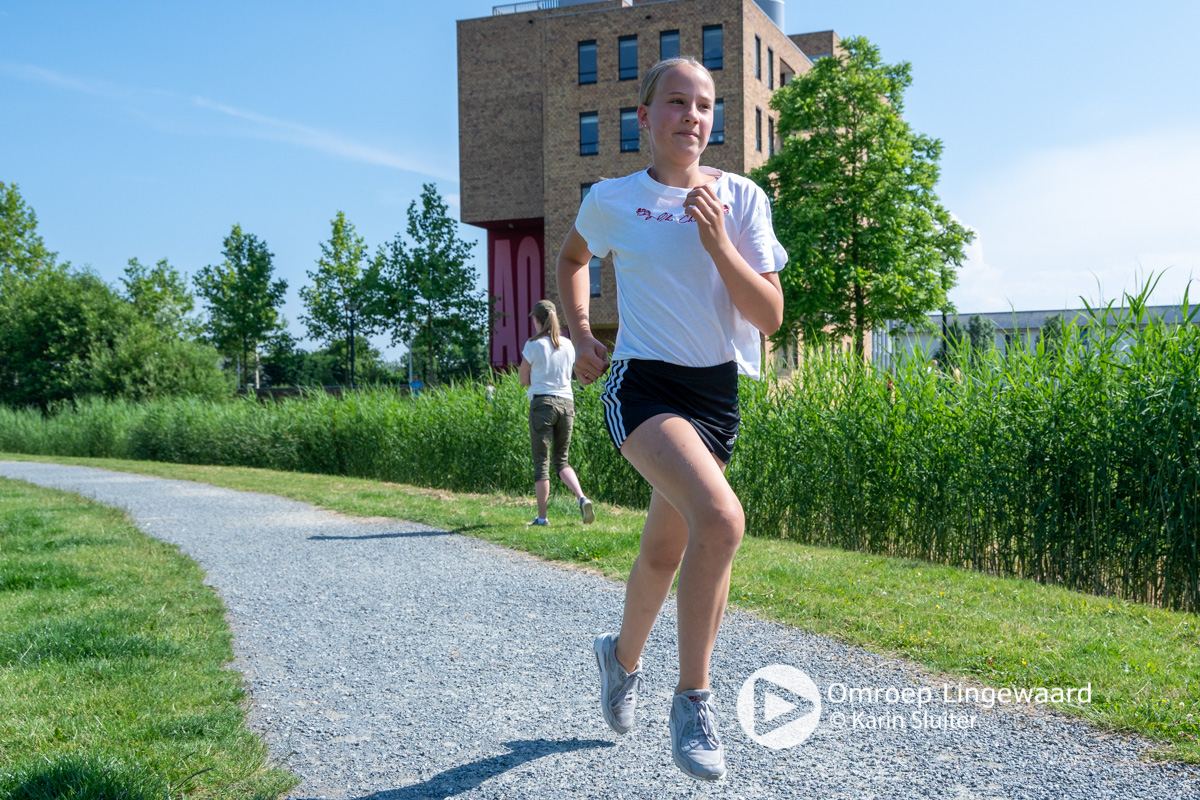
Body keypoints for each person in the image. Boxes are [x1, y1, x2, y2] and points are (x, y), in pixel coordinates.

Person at [556, 57, 786, 780]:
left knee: (663, 551)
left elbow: (769, 317)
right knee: (720, 518)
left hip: (716, 396)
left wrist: (718, 242)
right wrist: (581, 331)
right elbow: (573, 257)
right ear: (645, 117)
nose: (692, 115)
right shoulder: (613, 198)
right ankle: (693, 702)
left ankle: (619, 659)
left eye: (705, 104)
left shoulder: (741, 199)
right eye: (677, 102)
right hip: (643, 386)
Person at [518, 299, 595, 527]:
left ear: (536, 320)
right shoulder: (569, 345)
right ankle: (582, 498)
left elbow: (523, 380)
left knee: (541, 463)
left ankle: (542, 518)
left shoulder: (533, 345)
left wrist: (538, 378)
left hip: (542, 405)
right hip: (567, 405)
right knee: (562, 461)